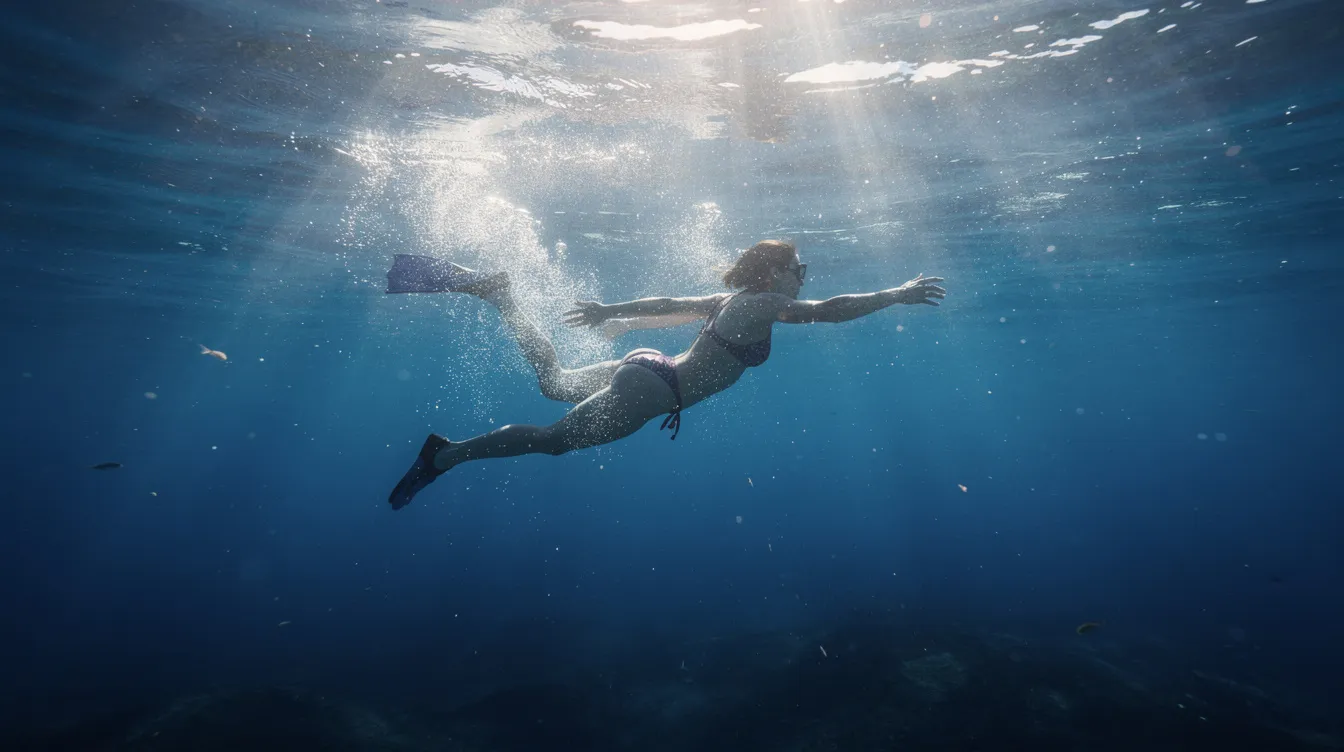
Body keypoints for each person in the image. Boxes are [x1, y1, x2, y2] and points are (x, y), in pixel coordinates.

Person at [385, 240, 945, 509]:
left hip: (650, 370)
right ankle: (444, 455)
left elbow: (669, 302)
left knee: (553, 381)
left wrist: (611, 310)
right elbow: (829, 311)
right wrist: (896, 294)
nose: (803, 277)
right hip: (656, 390)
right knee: (554, 441)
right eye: (799, 268)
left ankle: (500, 295)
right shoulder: (764, 303)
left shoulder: (731, 299)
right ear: (775, 270)